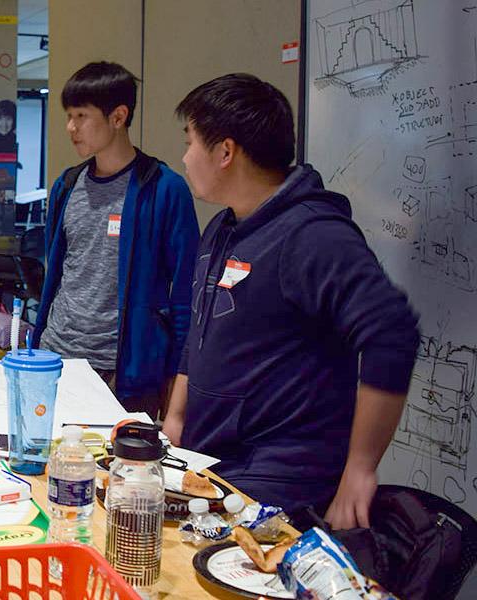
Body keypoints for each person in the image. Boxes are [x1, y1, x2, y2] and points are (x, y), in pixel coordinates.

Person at [163, 73, 420, 526]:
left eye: (190, 142)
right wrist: (177, 419)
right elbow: (202, 330)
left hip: (280, 484)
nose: (184, 158)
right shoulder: (221, 229)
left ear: (225, 152)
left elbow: (391, 332)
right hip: (215, 466)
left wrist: (360, 468)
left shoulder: (312, 235)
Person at [34, 62, 199, 417]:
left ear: (118, 117)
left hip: (123, 372)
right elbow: (58, 274)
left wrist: (175, 381)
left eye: (81, 115)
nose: (70, 127)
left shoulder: (164, 189)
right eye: (68, 116)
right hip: (56, 357)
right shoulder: (67, 184)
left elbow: (185, 294)